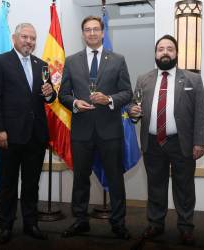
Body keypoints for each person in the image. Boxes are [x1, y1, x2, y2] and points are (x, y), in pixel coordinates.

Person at [129, 35, 204, 247]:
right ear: (155, 54)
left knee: (184, 187)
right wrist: (133, 112)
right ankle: (155, 224)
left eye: (169, 49)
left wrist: (200, 142)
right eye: (160, 49)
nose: (165, 52)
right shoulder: (143, 79)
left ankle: (185, 228)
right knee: (156, 186)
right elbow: (133, 108)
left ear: (176, 53)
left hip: (181, 142)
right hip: (153, 142)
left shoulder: (193, 79)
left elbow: (201, 113)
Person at [58, 16, 133, 239]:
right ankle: (80, 221)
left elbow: (127, 93)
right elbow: (63, 94)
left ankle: (118, 223)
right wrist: (74, 103)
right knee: (80, 179)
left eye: (96, 29)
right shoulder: (71, 61)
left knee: (115, 179)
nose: (91, 33)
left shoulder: (118, 60)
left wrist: (108, 99)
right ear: (83, 34)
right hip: (81, 131)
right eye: (87, 30)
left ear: (102, 32)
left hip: (110, 131)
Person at [0, 23, 56, 244]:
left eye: (33, 38)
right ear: (15, 38)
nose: (29, 41)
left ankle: (30, 224)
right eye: (25, 37)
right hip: (9, 136)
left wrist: (49, 94)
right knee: (8, 184)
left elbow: (50, 98)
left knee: (31, 184)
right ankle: (6, 226)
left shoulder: (41, 65)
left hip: (35, 136)